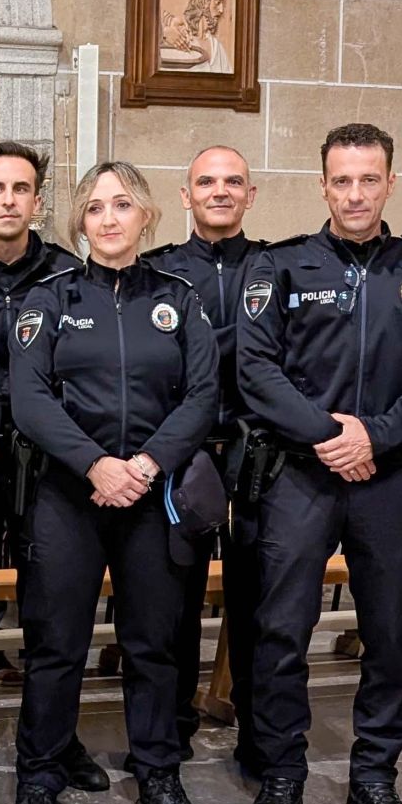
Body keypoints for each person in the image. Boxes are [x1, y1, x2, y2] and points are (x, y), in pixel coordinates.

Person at [236, 123, 402, 804]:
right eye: (342, 180)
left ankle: (374, 779)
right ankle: (281, 772)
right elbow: (256, 370)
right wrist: (331, 435)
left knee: (390, 631)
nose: (355, 193)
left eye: (369, 179)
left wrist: (378, 435)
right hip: (302, 474)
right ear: (323, 183)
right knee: (279, 629)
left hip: (389, 479)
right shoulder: (281, 267)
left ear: (390, 182)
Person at [7, 162, 219, 804]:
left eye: (121, 204)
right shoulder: (48, 300)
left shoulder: (181, 299)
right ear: (78, 222)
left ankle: (158, 771)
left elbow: (202, 395)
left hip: (153, 495)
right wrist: (96, 464)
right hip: (71, 495)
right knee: (56, 646)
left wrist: (149, 462)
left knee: (154, 644)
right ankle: (40, 774)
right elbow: (30, 399)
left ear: (147, 215)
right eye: (94, 207)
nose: (108, 218)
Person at [0, 141, 106, 795]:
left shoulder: (66, 276)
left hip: (47, 470)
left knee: (53, 615)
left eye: (21, 189)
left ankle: (57, 742)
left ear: (38, 201)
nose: (9, 200)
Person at [141, 145, 264, 771]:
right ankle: (173, 729)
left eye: (233, 182)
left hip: (257, 457)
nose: (221, 191)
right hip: (181, 456)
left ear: (251, 194)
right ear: (186, 197)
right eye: (206, 182)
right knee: (174, 603)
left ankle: (255, 733)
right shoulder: (160, 273)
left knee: (257, 599)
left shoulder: (275, 269)